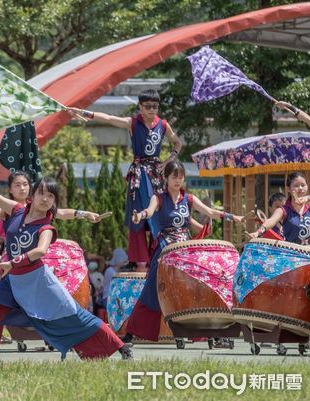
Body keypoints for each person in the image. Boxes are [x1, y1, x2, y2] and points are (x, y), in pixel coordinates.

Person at [0, 162, 132, 361]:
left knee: (74, 315)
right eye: (42, 193)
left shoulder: (46, 228)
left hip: (38, 282)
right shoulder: (16, 210)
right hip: (14, 281)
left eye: (51, 196)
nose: (45, 198)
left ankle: (120, 347)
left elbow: (40, 250)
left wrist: (13, 262)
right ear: (33, 195)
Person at [121, 161, 244, 343]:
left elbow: (210, 211)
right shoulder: (159, 198)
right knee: (152, 290)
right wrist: (140, 215)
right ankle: (132, 332)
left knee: (198, 283)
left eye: (180, 177)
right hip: (165, 248)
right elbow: (149, 210)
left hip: (185, 249)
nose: (177, 180)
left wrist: (233, 217)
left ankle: (210, 331)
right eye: (174, 177)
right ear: (166, 178)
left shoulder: (189, 199)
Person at [68, 90, 182, 271]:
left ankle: (159, 255)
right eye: (148, 106)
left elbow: (178, 142)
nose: (152, 109)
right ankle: (138, 260)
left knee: (158, 212)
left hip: (156, 173)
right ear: (140, 107)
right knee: (137, 214)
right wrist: (86, 113)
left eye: (155, 106)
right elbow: (109, 119)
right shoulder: (133, 123)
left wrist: (169, 160)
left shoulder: (163, 124)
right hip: (138, 174)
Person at [0, 171, 100, 233]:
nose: (22, 188)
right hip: (15, 257)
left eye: (25, 184)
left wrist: (84, 213)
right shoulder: (6, 207)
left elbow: (61, 212)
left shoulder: (37, 205)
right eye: (18, 185)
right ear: (10, 190)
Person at [249, 172, 309, 245]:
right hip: (292, 253)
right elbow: (270, 221)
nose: (300, 188)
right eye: (296, 186)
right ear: (288, 189)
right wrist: (258, 232)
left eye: (303, 185)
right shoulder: (283, 210)